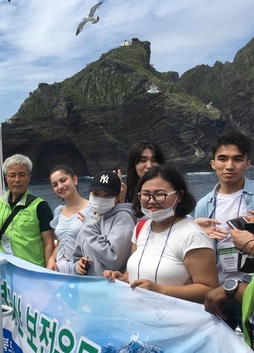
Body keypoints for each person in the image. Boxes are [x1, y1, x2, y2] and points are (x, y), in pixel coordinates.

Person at [103, 165, 219, 304]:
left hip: (176, 321)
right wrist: (122, 279)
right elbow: (133, 275)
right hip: (140, 318)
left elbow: (210, 289)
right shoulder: (142, 228)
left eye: (159, 194)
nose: (151, 201)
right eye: (145, 194)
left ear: (180, 196)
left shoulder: (192, 235)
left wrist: (159, 290)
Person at [194, 130, 254, 329]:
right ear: (213, 164)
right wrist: (194, 230)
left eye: (237, 159)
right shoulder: (204, 205)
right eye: (222, 159)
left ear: (248, 163)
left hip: (249, 289)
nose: (229, 165)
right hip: (218, 292)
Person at [0, 154, 55, 268]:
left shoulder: (40, 206)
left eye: (22, 175)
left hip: (31, 269)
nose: (17, 180)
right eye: (12, 175)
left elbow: (48, 243)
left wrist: (48, 271)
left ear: (29, 177)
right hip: (5, 267)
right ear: (6, 178)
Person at [73, 171, 135, 276]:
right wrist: (78, 266)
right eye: (96, 194)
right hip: (88, 288)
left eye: (107, 195)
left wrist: (89, 227)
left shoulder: (123, 219)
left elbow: (114, 260)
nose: (101, 198)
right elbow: (77, 256)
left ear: (117, 198)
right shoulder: (90, 219)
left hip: (112, 288)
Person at [48, 165, 89, 274]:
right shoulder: (59, 212)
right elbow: (61, 242)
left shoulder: (91, 209)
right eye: (55, 185)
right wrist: (51, 259)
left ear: (74, 179)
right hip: (59, 269)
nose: (60, 186)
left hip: (82, 269)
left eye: (63, 180)